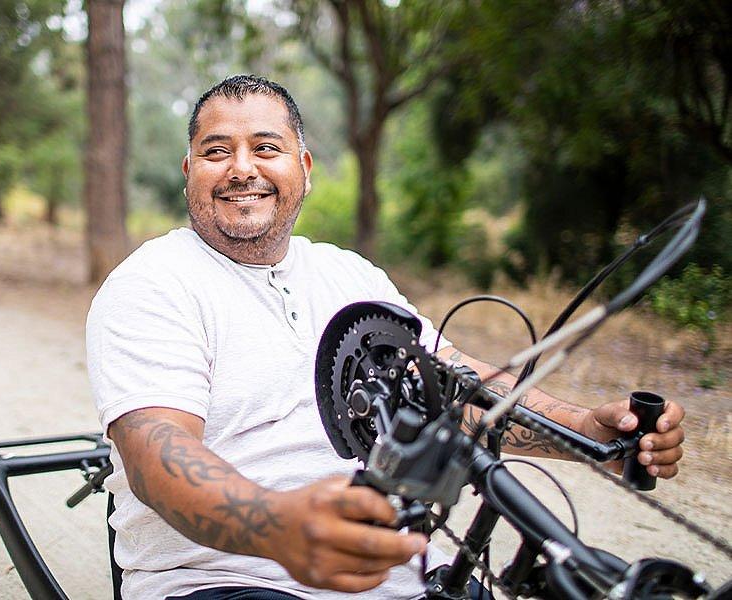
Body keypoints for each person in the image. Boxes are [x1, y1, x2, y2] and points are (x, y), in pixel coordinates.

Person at [86, 75, 686, 600]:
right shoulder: (153, 282)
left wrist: (586, 431)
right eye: (217, 151)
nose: (242, 167)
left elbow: (451, 384)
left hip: (412, 575)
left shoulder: (349, 274)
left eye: (265, 148)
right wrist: (279, 527)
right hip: (227, 580)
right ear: (189, 172)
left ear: (304, 167)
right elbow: (155, 450)